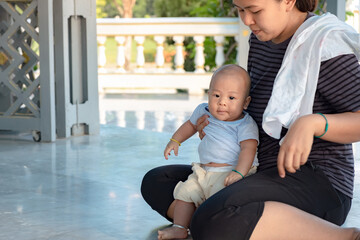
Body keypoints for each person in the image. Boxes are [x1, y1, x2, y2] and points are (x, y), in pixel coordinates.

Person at [141, 0, 360, 239]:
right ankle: (237, 224)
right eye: (240, 9)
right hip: (261, 171)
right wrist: (220, 122)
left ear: (287, 1)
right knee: (158, 181)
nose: (246, 20)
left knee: (212, 216)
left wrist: (313, 123)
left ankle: (344, 236)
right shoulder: (261, 39)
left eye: (255, 10)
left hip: (317, 182)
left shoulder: (325, 45)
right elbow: (254, 106)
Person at [158, 64, 259, 239]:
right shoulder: (203, 111)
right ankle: (180, 227)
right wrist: (175, 141)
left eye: (231, 97)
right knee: (185, 194)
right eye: (216, 95)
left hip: (228, 173)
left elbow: (248, 149)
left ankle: (215, 229)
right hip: (202, 171)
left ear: (246, 102)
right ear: (209, 94)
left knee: (218, 204)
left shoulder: (245, 124)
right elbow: (190, 126)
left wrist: (239, 173)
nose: (222, 102)